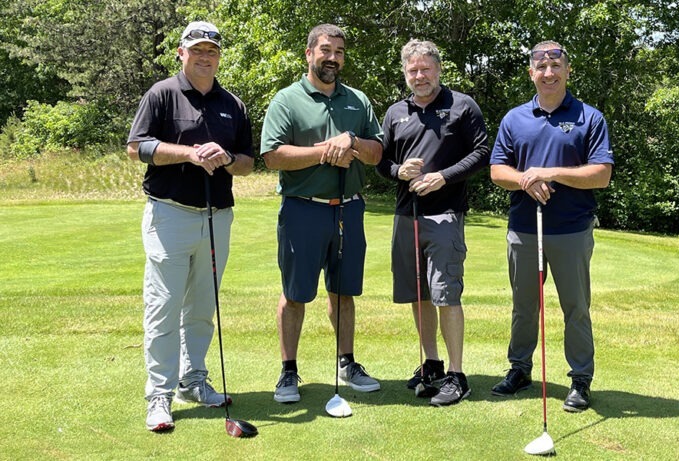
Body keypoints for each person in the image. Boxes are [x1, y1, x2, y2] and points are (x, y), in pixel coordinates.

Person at [126, 20, 255, 432]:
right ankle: (159, 396)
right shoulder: (162, 94)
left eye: (212, 51)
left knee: (202, 308)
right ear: (181, 53)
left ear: (219, 57)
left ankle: (193, 380)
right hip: (171, 215)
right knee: (163, 307)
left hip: (217, 216)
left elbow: (249, 162)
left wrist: (227, 158)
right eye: (197, 50)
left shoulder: (232, 104)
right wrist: (190, 154)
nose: (204, 57)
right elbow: (136, 147)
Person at [261, 23, 383, 403]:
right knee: (295, 294)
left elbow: (377, 153)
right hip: (302, 211)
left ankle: (347, 363)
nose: (333, 58)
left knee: (343, 292)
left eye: (340, 52)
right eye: (326, 50)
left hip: (349, 209)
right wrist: (323, 150)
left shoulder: (358, 101)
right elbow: (272, 155)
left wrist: (353, 142)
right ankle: (288, 372)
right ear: (309, 53)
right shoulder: (287, 100)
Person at [489, 40, 613, 412]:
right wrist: (526, 179)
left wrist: (550, 173)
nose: (548, 73)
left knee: (575, 307)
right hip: (525, 228)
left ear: (567, 70)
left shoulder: (589, 117)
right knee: (524, 306)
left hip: (572, 230)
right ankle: (520, 369)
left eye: (555, 66)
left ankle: (580, 379)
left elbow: (601, 174)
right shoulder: (514, 119)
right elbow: (497, 170)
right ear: (531, 73)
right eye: (540, 68)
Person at [376, 39, 489, 406]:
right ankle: (431, 364)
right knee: (418, 293)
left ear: (438, 69)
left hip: (445, 215)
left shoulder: (461, 106)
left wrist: (444, 176)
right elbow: (380, 162)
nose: (419, 76)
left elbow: (482, 152)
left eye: (426, 69)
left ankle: (457, 375)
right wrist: (397, 170)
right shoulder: (395, 112)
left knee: (445, 294)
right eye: (413, 70)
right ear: (405, 73)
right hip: (406, 215)